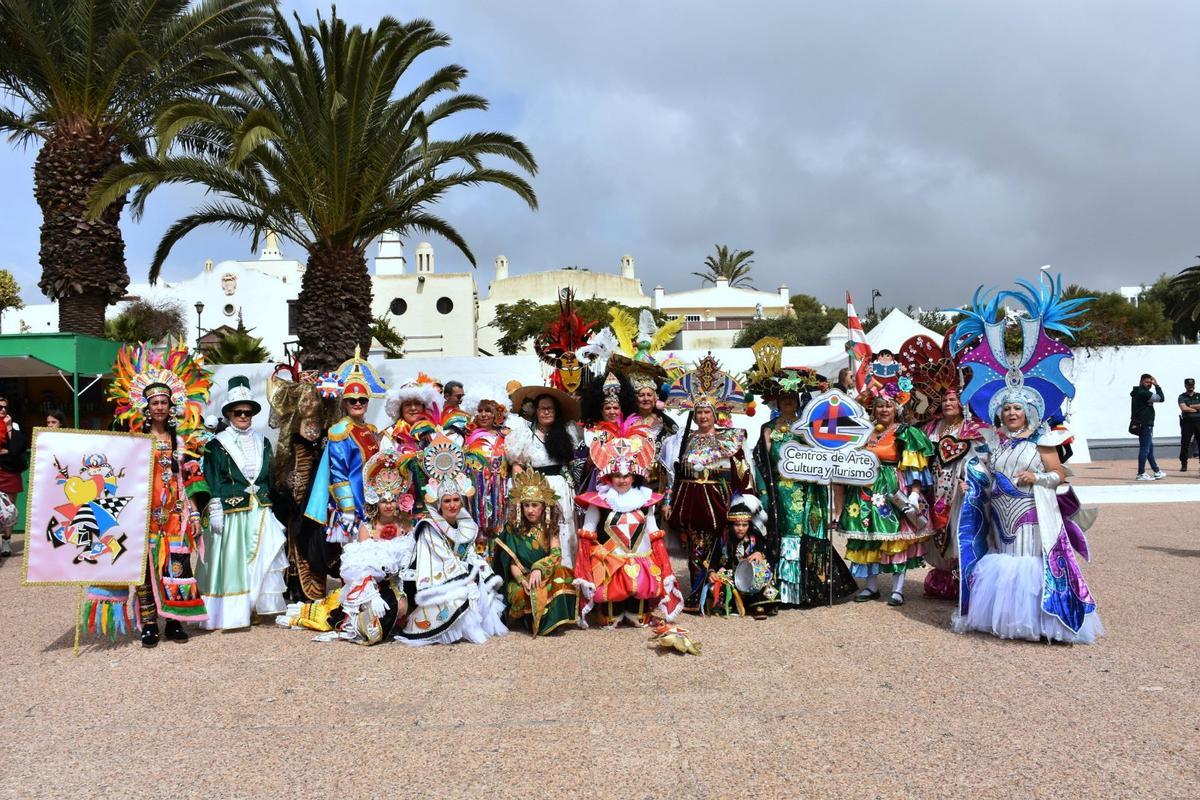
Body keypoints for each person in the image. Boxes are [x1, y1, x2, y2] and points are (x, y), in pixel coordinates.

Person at [951, 271, 1102, 644]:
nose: (1011, 413)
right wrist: (973, 483)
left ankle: (1044, 623)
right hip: (1001, 519)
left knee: (1030, 569)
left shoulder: (1044, 441)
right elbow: (988, 476)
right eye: (1006, 409)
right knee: (1004, 566)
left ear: (1029, 412)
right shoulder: (997, 444)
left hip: (1033, 519)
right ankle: (1007, 621)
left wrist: (1039, 479)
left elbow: (1060, 476)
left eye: (1017, 408)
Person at [105, 343, 211, 647]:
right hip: (143, 516)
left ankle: (175, 621)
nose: (160, 407)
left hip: (175, 517)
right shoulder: (134, 439)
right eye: (155, 402)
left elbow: (191, 478)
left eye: (164, 402)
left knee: (176, 567)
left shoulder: (184, 440)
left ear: (172, 405)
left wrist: (194, 513)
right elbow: (119, 476)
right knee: (144, 571)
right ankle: (149, 624)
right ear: (146, 406)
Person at [751, 378, 857, 607]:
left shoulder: (809, 426)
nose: (788, 400)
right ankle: (786, 591)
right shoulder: (768, 428)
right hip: (782, 491)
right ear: (777, 402)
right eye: (784, 397)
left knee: (810, 534)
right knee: (787, 534)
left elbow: (825, 451)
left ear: (798, 400)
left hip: (809, 490)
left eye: (792, 397)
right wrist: (764, 491)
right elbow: (761, 463)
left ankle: (811, 589)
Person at [396, 434, 507, 646]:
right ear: (439, 504)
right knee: (462, 594)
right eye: (447, 501)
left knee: (486, 589)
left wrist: (479, 570)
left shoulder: (465, 524)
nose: (453, 505)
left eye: (456, 500)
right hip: (441, 580)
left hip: (461, 572)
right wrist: (468, 575)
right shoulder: (429, 527)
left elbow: (470, 552)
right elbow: (443, 559)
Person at [664, 355, 755, 611]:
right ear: (693, 416)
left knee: (721, 547)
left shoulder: (730, 439)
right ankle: (696, 594)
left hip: (718, 500)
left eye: (707, 412)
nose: (703, 416)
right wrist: (668, 502)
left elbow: (743, 473)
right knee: (695, 548)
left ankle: (720, 594)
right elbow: (674, 475)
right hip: (691, 501)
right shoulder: (683, 440)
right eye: (699, 412)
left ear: (715, 415)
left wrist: (744, 503)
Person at [197, 376, 288, 630]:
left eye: (248, 412)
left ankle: (253, 606)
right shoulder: (216, 445)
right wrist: (215, 508)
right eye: (238, 412)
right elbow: (212, 478)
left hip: (260, 509)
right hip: (231, 511)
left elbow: (269, 477)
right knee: (233, 563)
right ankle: (232, 613)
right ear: (229, 414)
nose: (244, 416)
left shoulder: (263, 442)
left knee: (262, 557)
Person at [574, 417, 682, 627]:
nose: (622, 480)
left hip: (641, 560)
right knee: (609, 618)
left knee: (639, 615)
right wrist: (587, 568)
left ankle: (637, 607)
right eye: (617, 475)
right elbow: (587, 534)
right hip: (610, 563)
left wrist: (663, 564)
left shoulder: (646, 500)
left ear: (634, 476)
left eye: (626, 475)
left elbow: (653, 532)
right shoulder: (599, 501)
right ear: (608, 477)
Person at [837, 392, 934, 607]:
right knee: (867, 536)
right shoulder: (864, 431)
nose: (884, 409)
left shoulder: (905, 432)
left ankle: (897, 590)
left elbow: (915, 466)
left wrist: (914, 493)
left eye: (888, 405)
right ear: (874, 409)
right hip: (863, 489)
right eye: (880, 405)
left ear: (896, 409)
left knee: (896, 538)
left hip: (892, 489)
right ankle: (871, 587)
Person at [266, 371, 337, 602]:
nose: (309, 404)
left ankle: (315, 587)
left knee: (315, 534)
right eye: (304, 399)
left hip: (318, 495)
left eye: (313, 399)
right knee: (294, 535)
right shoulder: (291, 431)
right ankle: (295, 583)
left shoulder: (328, 431)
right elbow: (282, 464)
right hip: (294, 497)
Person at [303, 362, 384, 545]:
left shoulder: (371, 429)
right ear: (344, 403)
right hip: (354, 502)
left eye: (362, 399)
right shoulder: (340, 431)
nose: (357, 403)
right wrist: (347, 506)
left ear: (367, 403)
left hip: (374, 500)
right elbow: (338, 472)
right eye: (352, 400)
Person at [492, 470, 578, 636]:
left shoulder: (550, 527)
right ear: (520, 507)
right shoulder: (513, 530)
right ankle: (534, 620)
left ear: (544, 506)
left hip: (544, 574)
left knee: (563, 574)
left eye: (535, 505)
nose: (530, 510)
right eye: (526, 505)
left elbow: (556, 555)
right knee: (525, 592)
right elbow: (512, 563)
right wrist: (522, 580)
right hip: (522, 579)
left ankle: (552, 621)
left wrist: (539, 567)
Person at [504, 386, 582, 567]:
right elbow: (517, 465)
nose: (546, 412)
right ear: (535, 411)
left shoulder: (566, 433)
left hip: (561, 489)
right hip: (536, 490)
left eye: (550, 408)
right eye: (542, 408)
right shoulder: (525, 435)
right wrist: (523, 494)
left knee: (564, 528)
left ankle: (565, 571)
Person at [922, 389, 988, 600]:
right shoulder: (932, 427)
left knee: (958, 527)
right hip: (935, 486)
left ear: (962, 403)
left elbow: (983, 459)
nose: (947, 403)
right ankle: (945, 578)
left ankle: (963, 578)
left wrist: (971, 480)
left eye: (952, 399)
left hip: (959, 488)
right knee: (939, 530)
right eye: (944, 400)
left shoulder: (973, 429)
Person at [701, 495, 779, 619]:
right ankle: (734, 605)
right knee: (718, 586)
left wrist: (760, 553)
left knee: (764, 573)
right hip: (730, 576)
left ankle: (760, 605)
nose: (741, 529)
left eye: (744, 525)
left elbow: (768, 555)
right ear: (731, 525)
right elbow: (713, 560)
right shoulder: (723, 539)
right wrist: (712, 573)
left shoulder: (754, 538)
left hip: (750, 576)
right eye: (737, 525)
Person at [462, 387, 511, 550]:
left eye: (488, 410)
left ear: (497, 412)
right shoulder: (466, 436)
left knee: (499, 532)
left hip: (500, 495)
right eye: (479, 410)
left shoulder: (507, 435)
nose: (483, 414)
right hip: (475, 496)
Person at [0, 396, 26, 557]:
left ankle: (6, 543)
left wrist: (8, 427)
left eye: (5, 407)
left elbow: (16, 449)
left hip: (9, 472)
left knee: (8, 510)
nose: (3, 410)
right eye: (0, 407)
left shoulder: (13, 425)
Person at [1130, 373, 1166, 481]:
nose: (1149, 384)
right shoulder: (1143, 393)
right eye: (1147, 382)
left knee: (1149, 449)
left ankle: (1157, 471)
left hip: (1142, 423)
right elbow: (1161, 398)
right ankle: (1141, 473)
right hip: (1145, 423)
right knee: (1145, 449)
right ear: (1141, 381)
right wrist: (1157, 385)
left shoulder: (1138, 392)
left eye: (1151, 382)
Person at [1177, 378, 1200, 472]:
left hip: (1198, 422)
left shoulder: (1198, 395)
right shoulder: (1182, 396)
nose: (1191, 386)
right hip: (1187, 423)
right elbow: (1183, 408)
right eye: (1189, 385)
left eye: (1192, 385)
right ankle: (1184, 464)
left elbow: (1187, 407)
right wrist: (1197, 408)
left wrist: (1190, 406)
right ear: (1185, 385)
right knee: (1185, 444)